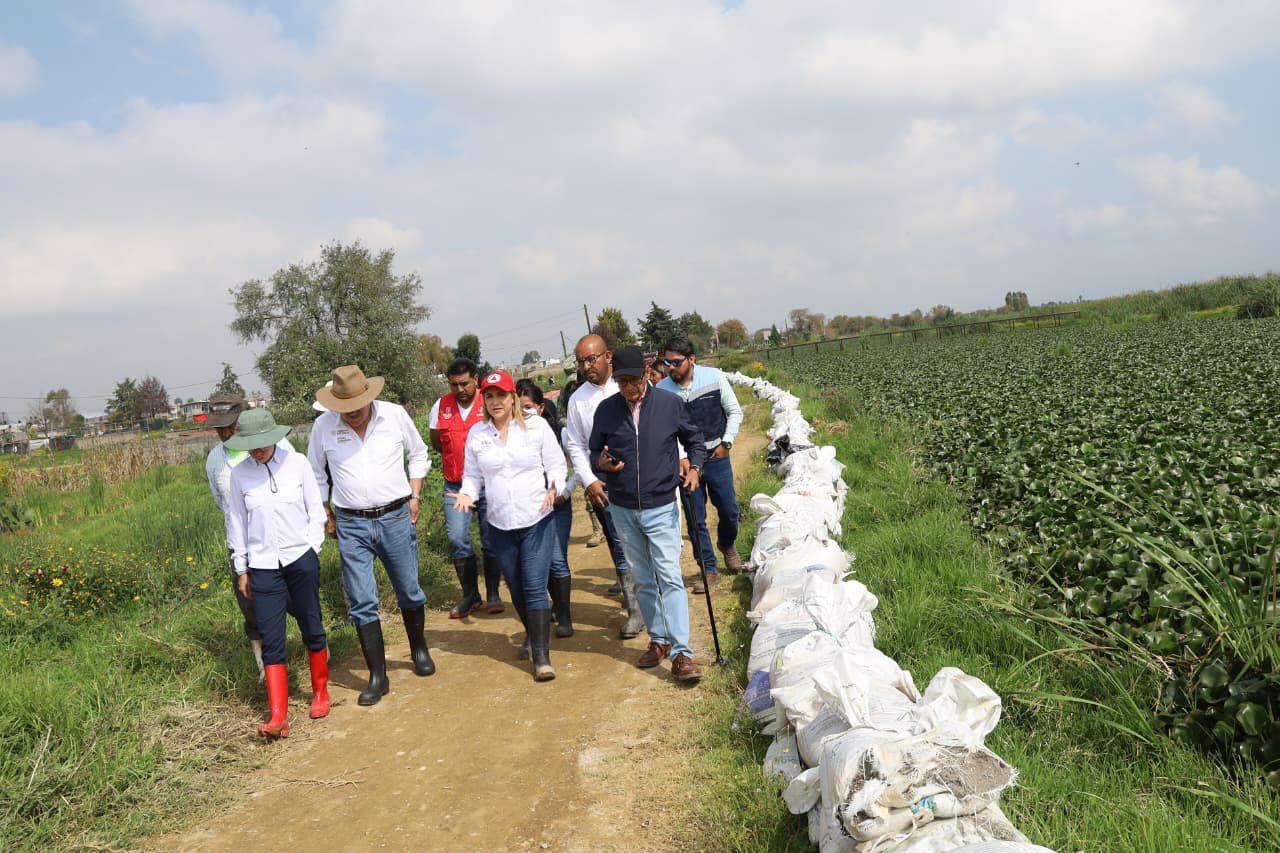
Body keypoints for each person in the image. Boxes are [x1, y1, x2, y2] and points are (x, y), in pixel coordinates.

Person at [308, 365, 435, 707]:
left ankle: (418, 648)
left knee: (408, 588)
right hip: (351, 523)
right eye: (344, 410)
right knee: (362, 600)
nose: (351, 415)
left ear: (369, 397)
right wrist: (325, 512)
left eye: (357, 408)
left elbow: (420, 453)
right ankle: (377, 675)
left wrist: (415, 493)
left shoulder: (393, 416)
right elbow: (316, 474)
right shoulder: (323, 427)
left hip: (395, 515)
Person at [588, 346, 707, 682]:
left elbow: (695, 440)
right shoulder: (607, 411)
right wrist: (602, 462)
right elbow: (595, 449)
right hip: (623, 508)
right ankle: (658, 640)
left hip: (660, 505)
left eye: (635, 380)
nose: (630, 387)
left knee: (669, 575)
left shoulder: (669, 405)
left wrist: (695, 468)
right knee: (642, 578)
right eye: (623, 381)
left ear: (646, 373)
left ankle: (682, 652)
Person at [453, 371, 567, 681]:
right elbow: (473, 476)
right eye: (489, 396)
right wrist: (466, 494)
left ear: (512, 397)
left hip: (536, 520)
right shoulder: (478, 435)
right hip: (500, 525)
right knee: (516, 589)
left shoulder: (535, 427)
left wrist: (555, 488)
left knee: (533, 587)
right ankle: (533, 633)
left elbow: (556, 464)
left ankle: (542, 658)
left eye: (501, 395)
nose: (495, 401)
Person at [224, 409, 329, 738]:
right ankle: (278, 716)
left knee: (311, 623)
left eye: (262, 443)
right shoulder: (239, 475)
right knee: (271, 637)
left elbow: (316, 509)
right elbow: (237, 523)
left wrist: (312, 548)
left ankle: (321, 693)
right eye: (250, 445)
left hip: (300, 557)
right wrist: (241, 567)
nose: (257, 450)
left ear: (273, 437)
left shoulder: (296, 464)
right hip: (263, 565)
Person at [204, 394, 293, 679]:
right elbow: (223, 503)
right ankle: (265, 668)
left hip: (284, 539)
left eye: (229, 426)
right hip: (244, 546)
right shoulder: (214, 460)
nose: (224, 432)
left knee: (296, 601)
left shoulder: (277, 446)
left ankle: (315, 647)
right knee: (251, 606)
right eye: (219, 428)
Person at [561, 335, 645, 638]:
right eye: (581, 361)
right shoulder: (577, 400)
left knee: (648, 542)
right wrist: (591, 480)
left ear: (607, 355)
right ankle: (635, 611)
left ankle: (657, 602)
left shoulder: (628, 385)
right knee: (621, 548)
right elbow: (576, 447)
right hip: (606, 487)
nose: (586, 366)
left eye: (591, 359)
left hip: (643, 481)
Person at [657, 336, 745, 592]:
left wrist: (726, 443)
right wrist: (681, 457)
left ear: (691, 359)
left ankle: (727, 544)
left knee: (729, 510)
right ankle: (708, 568)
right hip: (685, 465)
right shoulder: (661, 391)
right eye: (666, 362)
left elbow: (734, 412)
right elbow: (663, 431)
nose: (670, 367)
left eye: (676, 362)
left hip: (715, 457)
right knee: (696, 518)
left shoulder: (714, 377)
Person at [428, 357, 503, 618]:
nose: (459, 390)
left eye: (464, 384)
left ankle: (494, 593)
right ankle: (470, 595)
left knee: (491, 540)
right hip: (455, 485)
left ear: (475, 380)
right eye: (454, 385)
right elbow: (437, 442)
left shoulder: (491, 402)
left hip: (489, 485)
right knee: (458, 539)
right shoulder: (441, 407)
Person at [517, 379, 574, 637]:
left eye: (528, 407)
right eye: (519, 407)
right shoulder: (511, 436)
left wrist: (564, 491)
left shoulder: (557, 432)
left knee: (557, 558)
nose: (523, 411)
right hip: (531, 509)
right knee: (541, 562)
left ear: (540, 408)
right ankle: (554, 606)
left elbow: (576, 466)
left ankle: (565, 616)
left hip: (558, 505)